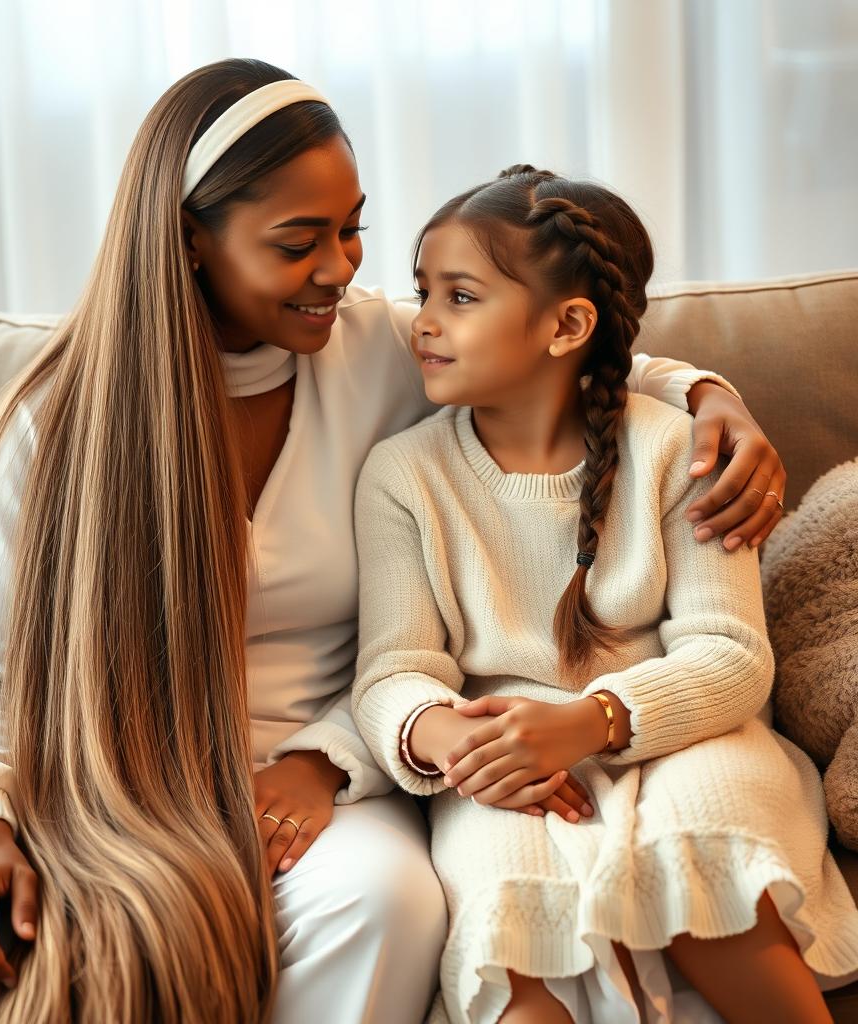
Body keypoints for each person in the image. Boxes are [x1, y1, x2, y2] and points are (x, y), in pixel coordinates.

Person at [0, 62, 786, 1024]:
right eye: (299, 243)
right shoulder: (55, 419)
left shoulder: (374, 350)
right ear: (192, 244)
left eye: (351, 228)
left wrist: (713, 398)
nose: (341, 268)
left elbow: (560, 350)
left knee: (388, 908)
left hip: (321, 776)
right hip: (99, 792)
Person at [349, 165, 858, 1024]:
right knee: (511, 914)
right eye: (422, 290)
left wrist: (595, 722)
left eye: (460, 296)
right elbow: (392, 668)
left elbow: (730, 656)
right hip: (504, 762)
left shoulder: (677, 448)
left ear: (568, 326)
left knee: (700, 849)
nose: (424, 322)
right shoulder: (402, 475)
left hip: (689, 730)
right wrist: (448, 737)